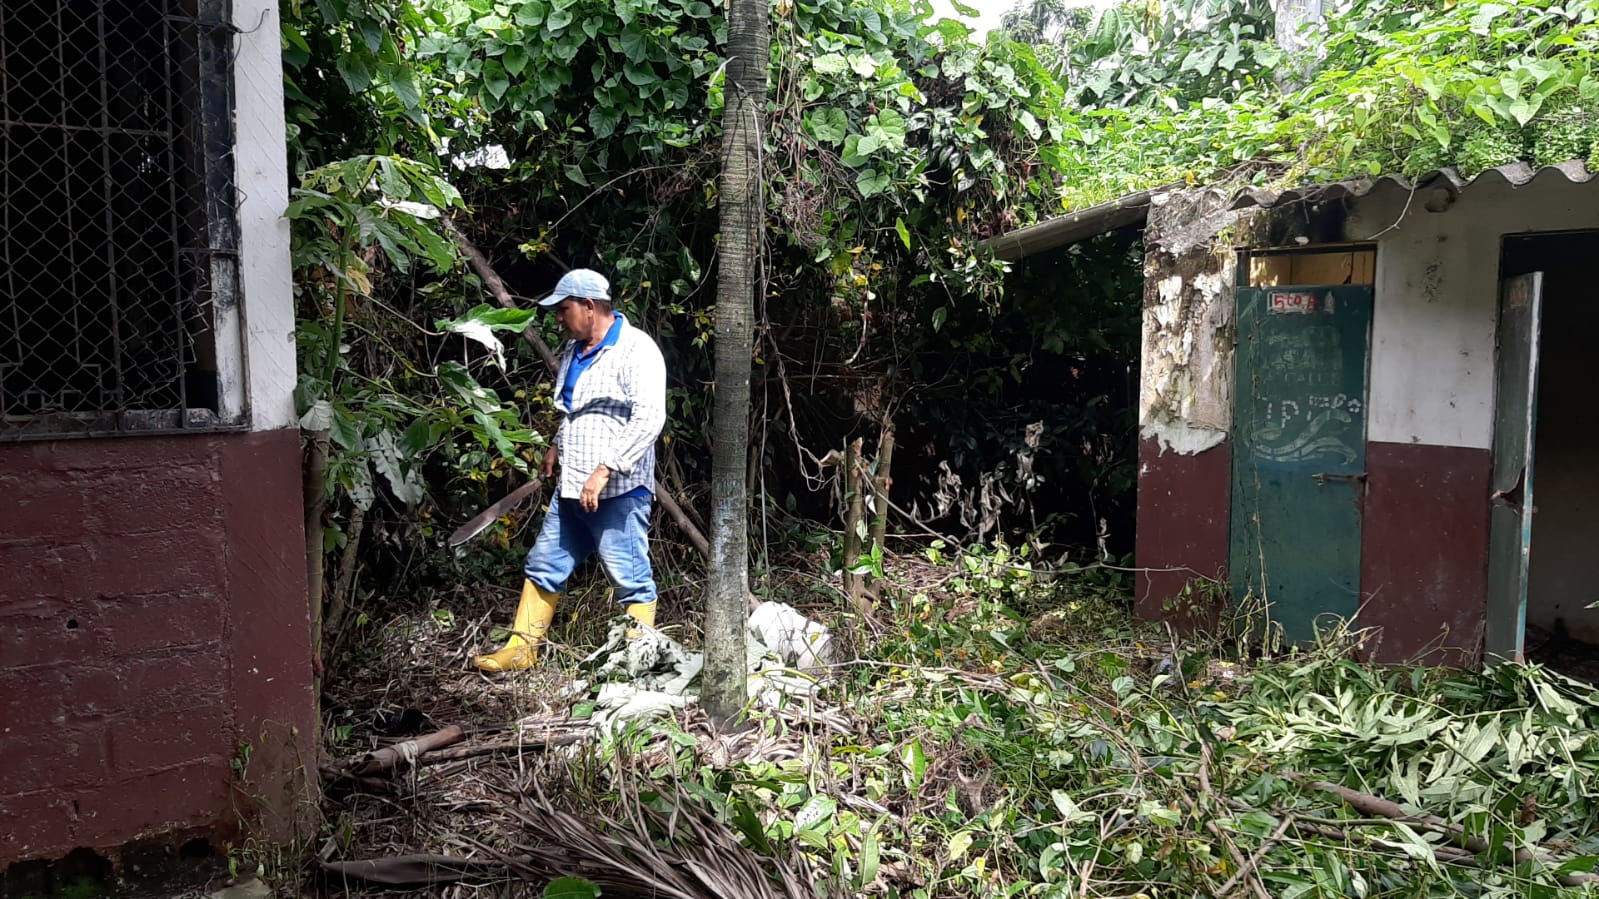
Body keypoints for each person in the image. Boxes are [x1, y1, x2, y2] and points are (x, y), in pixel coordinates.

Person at [473, 268, 667, 672]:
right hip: (573, 487)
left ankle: (637, 662)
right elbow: (573, 409)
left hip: (619, 490)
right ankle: (521, 650)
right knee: (544, 563)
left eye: (564, 310)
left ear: (589, 306)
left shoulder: (636, 349)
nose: (559, 319)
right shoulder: (573, 351)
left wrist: (606, 469)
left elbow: (649, 418)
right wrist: (556, 445)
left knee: (629, 575)